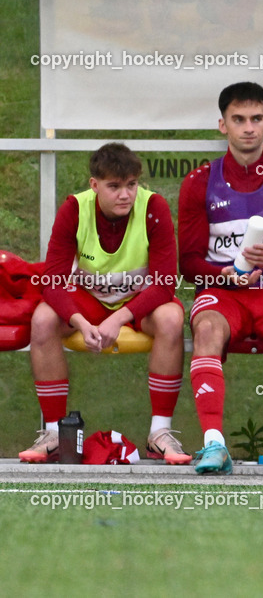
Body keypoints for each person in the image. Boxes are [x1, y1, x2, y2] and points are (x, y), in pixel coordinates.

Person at [178, 82, 263, 475]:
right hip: (224, 292)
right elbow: (188, 264)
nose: (248, 128)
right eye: (238, 120)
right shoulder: (197, 182)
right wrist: (221, 274)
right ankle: (213, 445)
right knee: (206, 329)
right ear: (222, 125)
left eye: (256, 119)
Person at [19, 143, 188, 464]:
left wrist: (119, 318)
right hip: (89, 300)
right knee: (42, 319)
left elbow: (166, 283)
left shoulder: (154, 207)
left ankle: (160, 433)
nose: (125, 194)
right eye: (114, 186)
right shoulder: (74, 208)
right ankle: (55, 433)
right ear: (94, 185)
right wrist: (81, 321)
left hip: (139, 302)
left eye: (131, 184)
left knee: (171, 319)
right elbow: (52, 280)